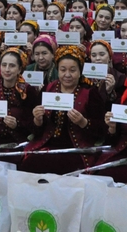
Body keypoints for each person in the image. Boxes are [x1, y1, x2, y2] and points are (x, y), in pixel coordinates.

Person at [22, 45, 106, 174]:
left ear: (80, 72)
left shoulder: (90, 92)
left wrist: (83, 122)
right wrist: (37, 120)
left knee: (68, 167)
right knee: (30, 164)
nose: (67, 75)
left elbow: (102, 129)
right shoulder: (49, 88)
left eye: (72, 70)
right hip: (48, 144)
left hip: (76, 148)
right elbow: (34, 128)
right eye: (63, 70)